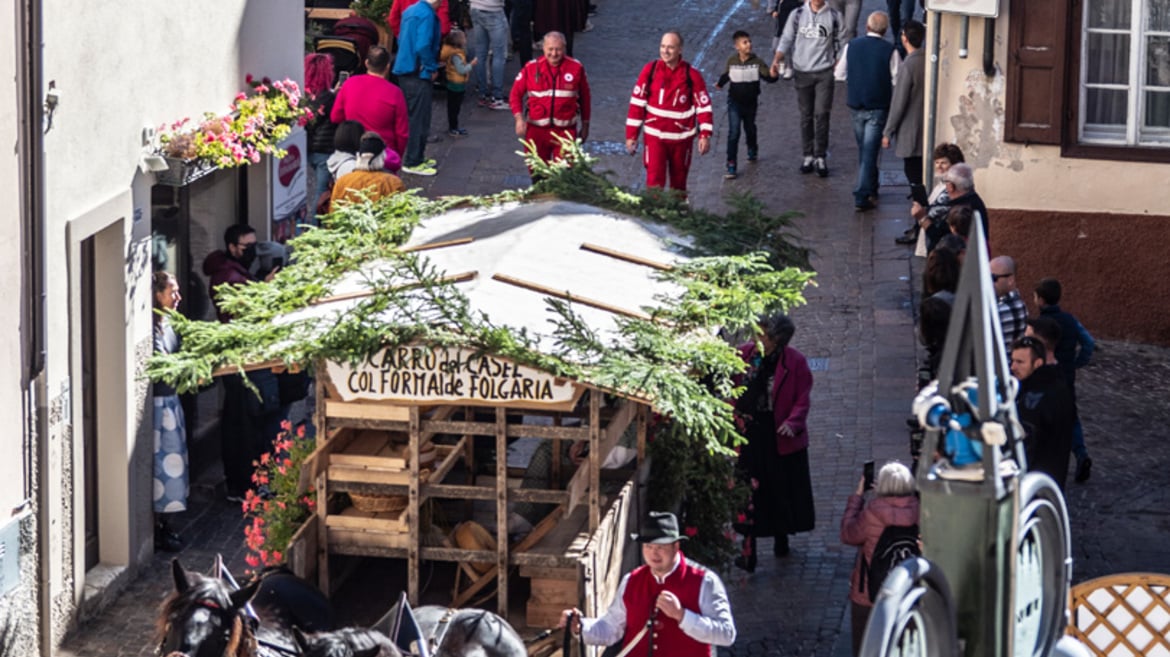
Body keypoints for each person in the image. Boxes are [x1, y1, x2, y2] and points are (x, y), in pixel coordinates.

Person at [557, 511, 737, 656]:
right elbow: (611, 629)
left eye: (660, 547)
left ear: (676, 547)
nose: (654, 554)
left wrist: (682, 615)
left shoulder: (704, 581)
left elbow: (727, 634)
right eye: (648, 547)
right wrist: (581, 627)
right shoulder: (632, 581)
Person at [202, 225, 283, 502]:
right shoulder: (227, 275)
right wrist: (266, 290)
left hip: (247, 358)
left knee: (249, 424)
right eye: (246, 246)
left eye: (253, 244)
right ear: (232, 247)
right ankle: (247, 486)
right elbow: (242, 312)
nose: (251, 250)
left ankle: (250, 483)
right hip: (242, 362)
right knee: (246, 427)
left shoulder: (233, 269)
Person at [732, 313, 815, 571]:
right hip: (751, 433)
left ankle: (781, 539)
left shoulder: (795, 362)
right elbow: (731, 384)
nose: (758, 339)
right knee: (748, 493)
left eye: (764, 335)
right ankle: (749, 553)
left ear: (778, 339)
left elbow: (803, 397)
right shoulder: (744, 355)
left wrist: (793, 422)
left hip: (779, 435)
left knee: (780, 490)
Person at [840, 462, 919, 656]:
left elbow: (848, 534)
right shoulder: (920, 510)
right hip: (907, 592)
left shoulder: (872, 513)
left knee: (865, 647)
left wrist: (857, 498)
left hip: (869, 593)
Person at [625, 31, 713, 195]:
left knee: (679, 185)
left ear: (680, 50)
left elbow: (704, 106)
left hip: (681, 141)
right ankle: (653, 217)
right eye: (663, 46)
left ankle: (677, 217)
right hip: (655, 138)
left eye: (670, 47)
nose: (665, 51)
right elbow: (637, 103)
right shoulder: (650, 71)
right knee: (654, 183)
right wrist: (631, 135)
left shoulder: (692, 75)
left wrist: (705, 135)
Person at [770, 0, 845, 177]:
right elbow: (786, 39)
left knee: (822, 114)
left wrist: (839, 61)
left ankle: (820, 155)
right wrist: (777, 59)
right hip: (802, 71)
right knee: (806, 115)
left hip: (824, 72)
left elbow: (843, 41)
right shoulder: (797, 15)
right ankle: (808, 154)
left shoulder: (834, 16)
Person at [834, 11, 899, 211]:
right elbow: (897, 79)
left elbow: (838, 73)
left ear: (867, 27)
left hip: (856, 104)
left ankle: (870, 188)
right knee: (870, 151)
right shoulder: (890, 50)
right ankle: (863, 193)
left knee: (865, 149)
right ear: (885, 30)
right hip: (878, 106)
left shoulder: (851, 46)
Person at [1034, 277, 1095, 482]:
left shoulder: (1039, 325)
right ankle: (1081, 453)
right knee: (1071, 416)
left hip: (1044, 377)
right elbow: (1088, 342)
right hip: (1066, 376)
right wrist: (1078, 362)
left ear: (1040, 300)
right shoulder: (1070, 320)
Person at [510, 31, 592, 166]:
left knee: (564, 176)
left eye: (558, 49)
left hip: (565, 132)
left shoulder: (576, 68)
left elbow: (585, 98)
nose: (554, 54)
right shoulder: (531, 68)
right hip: (536, 132)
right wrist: (519, 119)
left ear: (564, 48)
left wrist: (586, 125)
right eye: (550, 49)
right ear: (543, 48)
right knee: (538, 174)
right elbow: (515, 94)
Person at [152, 271, 188, 552]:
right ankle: (161, 528)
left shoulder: (170, 324)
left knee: (174, 470)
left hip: (171, 405)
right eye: (171, 292)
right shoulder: (153, 329)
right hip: (160, 410)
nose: (177, 297)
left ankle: (169, 525)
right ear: (157, 295)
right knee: (163, 471)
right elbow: (162, 369)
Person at [1010, 337, 1076, 490]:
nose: (1013, 367)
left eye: (1020, 362)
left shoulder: (1033, 398)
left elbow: (1026, 444)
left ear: (1038, 363)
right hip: (1053, 477)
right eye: (1013, 360)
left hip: (1034, 480)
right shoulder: (1059, 384)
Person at [330, 46, 409, 172]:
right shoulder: (395, 93)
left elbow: (336, 117)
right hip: (383, 155)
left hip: (353, 153)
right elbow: (402, 133)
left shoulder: (349, 84)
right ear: (387, 66)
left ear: (366, 63)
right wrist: (396, 157)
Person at [715, 30, 778, 180]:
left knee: (750, 128)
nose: (749, 44)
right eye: (745, 42)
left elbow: (768, 77)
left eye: (749, 41)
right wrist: (720, 84)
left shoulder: (757, 62)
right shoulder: (732, 61)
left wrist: (774, 75)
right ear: (737, 46)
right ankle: (731, 164)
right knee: (734, 132)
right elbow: (726, 75)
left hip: (751, 103)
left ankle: (752, 148)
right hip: (734, 103)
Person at [883, 20, 926, 230]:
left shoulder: (908, 65)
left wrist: (888, 131)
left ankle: (920, 223)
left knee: (915, 179)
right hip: (925, 130)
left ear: (904, 38)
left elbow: (898, 103)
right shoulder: (928, 60)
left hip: (912, 131)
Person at [392, 0, 443, 177]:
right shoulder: (428, 15)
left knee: (414, 115)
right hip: (416, 71)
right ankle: (413, 160)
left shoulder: (411, 10)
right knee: (419, 118)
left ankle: (418, 157)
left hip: (406, 67)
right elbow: (423, 45)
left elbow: (401, 37)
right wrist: (431, 67)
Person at [908, 143, 964, 252]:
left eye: (943, 163)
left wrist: (922, 216)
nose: (939, 166)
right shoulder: (943, 183)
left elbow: (935, 225)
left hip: (943, 246)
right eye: (937, 162)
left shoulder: (951, 190)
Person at [329, 132, 406, 209]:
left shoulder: (343, 181)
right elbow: (402, 212)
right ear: (383, 157)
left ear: (359, 156)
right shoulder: (393, 182)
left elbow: (333, 211)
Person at [304, 53, 338, 207]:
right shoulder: (329, 98)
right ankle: (315, 223)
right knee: (321, 192)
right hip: (324, 150)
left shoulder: (303, 96)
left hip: (306, 148)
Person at [469, 0, 510, 110]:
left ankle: (483, 94)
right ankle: (497, 97)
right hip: (493, 10)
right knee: (499, 55)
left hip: (475, 8)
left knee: (481, 53)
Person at [440, 30, 478, 137]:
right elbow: (461, 70)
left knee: (454, 107)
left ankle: (454, 127)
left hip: (456, 83)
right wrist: (471, 64)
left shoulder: (456, 53)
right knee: (454, 108)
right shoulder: (456, 56)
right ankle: (453, 128)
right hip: (456, 85)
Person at [939, 162, 989, 241]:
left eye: (946, 183)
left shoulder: (960, 209)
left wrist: (923, 219)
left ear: (951, 186)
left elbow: (942, 238)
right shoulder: (975, 200)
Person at [991, 255, 1027, 349]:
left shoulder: (1007, 307)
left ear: (1010, 280)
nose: (989, 282)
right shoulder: (1016, 302)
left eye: (993, 277)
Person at [765, 0, 803, 75]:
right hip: (782, 12)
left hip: (796, 9)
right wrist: (772, 10)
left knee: (791, 41)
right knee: (775, 47)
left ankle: (789, 66)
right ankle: (781, 61)